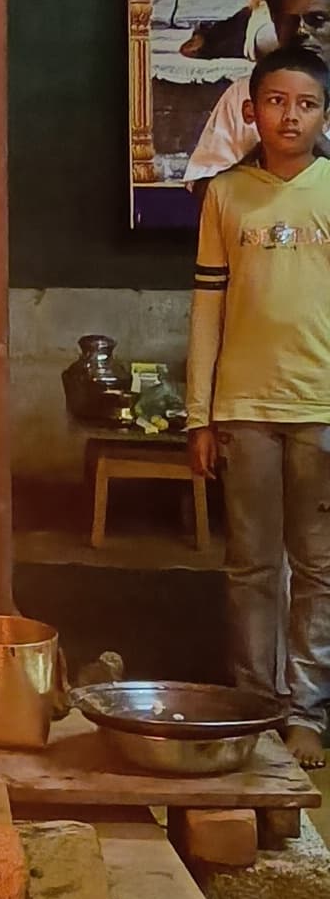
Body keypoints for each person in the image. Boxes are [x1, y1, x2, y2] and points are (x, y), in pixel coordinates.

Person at [187, 42, 330, 765]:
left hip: (321, 410)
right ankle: (253, 704)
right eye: (276, 101)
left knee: (317, 566)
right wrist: (199, 413)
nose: (289, 116)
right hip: (243, 409)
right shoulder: (227, 195)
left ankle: (306, 712)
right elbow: (206, 310)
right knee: (249, 565)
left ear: (323, 115)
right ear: (251, 110)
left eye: (305, 104)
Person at [184, 0, 330, 186]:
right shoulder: (243, 94)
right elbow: (205, 191)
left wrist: (317, 146)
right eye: (290, 21)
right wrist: (266, 152)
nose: (301, 31)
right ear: (273, 19)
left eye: (317, 20)